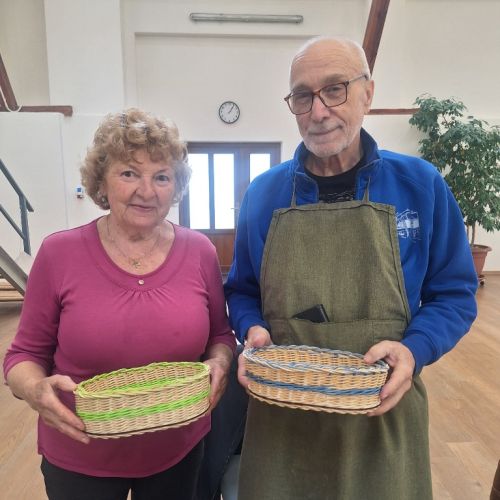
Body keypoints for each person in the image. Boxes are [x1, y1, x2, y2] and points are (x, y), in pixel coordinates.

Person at [224, 36, 478, 500]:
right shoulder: (263, 194)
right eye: (303, 95)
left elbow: (454, 293)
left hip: (382, 409)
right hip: (283, 416)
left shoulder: (420, 185)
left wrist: (415, 349)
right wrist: (252, 327)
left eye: (335, 89)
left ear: (368, 93)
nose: (318, 111)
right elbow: (241, 289)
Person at [3, 108, 236, 500]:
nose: (147, 191)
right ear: (101, 181)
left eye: (161, 177)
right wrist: (34, 389)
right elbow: (22, 356)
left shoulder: (200, 251)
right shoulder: (59, 253)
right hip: (81, 449)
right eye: (129, 173)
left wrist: (220, 363)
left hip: (178, 449)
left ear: (175, 186)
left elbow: (220, 336)